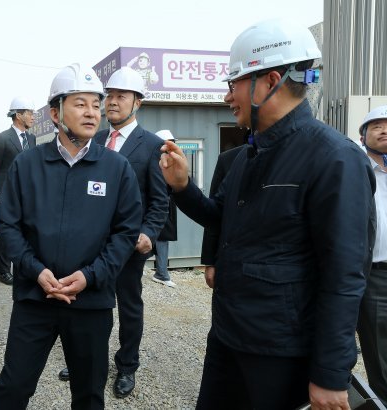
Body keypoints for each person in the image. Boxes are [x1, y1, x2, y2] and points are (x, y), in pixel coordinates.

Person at [159, 19, 375, 409]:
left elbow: (345, 277)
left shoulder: (334, 159)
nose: (227, 97)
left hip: (282, 352)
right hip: (228, 336)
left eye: (233, 84)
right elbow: (219, 217)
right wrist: (182, 187)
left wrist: (329, 374)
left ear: (270, 80)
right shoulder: (246, 157)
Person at [0, 63, 142, 410]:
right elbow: (8, 224)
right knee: (13, 388)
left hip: (90, 302)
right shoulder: (27, 165)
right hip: (34, 299)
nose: (91, 112)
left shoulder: (116, 168)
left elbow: (125, 232)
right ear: (56, 112)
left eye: (95, 104)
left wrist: (90, 276)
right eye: (80, 103)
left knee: (88, 394)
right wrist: (35, 271)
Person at [58, 66, 169, 398]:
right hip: (92, 243)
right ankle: (86, 359)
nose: (113, 102)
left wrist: (148, 233)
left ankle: (126, 365)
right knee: (89, 303)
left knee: (129, 306)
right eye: (111, 96)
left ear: (138, 103)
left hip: (128, 245)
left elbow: (161, 200)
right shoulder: (96, 140)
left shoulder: (152, 145)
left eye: (122, 96)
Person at [357, 105, 387, 405]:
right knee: (380, 355)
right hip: (375, 275)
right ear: (363, 136)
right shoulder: (356, 169)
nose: (385, 130)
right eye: (377, 125)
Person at [0, 96, 36, 285]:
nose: (33, 117)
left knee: (26, 230)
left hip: (29, 193)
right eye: (30, 113)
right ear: (18, 115)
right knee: (6, 231)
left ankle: (22, 266)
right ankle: (4, 271)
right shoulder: (2, 138)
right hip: (7, 193)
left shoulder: (31, 138)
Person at [200, 144, 247, 288]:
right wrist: (210, 261)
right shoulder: (228, 159)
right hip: (231, 259)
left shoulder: (295, 154)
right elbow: (214, 216)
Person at [151, 129, 178, 288]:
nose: (169, 147)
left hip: (167, 201)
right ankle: (160, 273)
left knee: (162, 237)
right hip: (155, 202)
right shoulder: (153, 160)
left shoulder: (172, 159)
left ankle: (161, 272)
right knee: (152, 236)